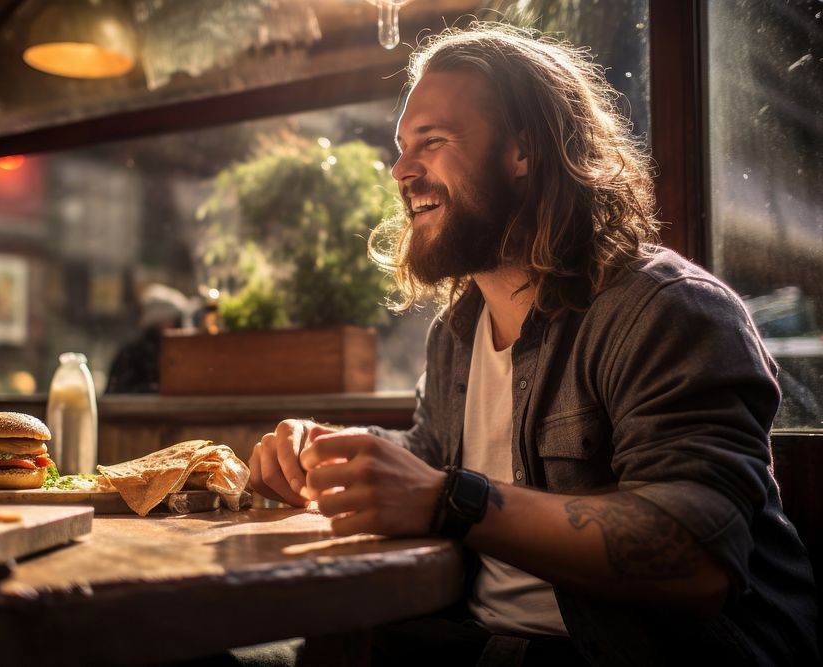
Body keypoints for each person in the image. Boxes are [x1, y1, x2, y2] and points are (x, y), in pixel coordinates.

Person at [247, 22, 819, 666]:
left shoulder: (664, 310)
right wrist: (327, 452)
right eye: (402, 147)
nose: (402, 170)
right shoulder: (457, 332)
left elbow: (696, 556)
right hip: (470, 641)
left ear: (525, 150)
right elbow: (434, 454)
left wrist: (447, 500)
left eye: (431, 142)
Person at [106, 283, 191, 394]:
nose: (176, 327)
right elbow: (118, 393)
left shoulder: (185, 352)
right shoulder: (133, 355)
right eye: (174, 321)